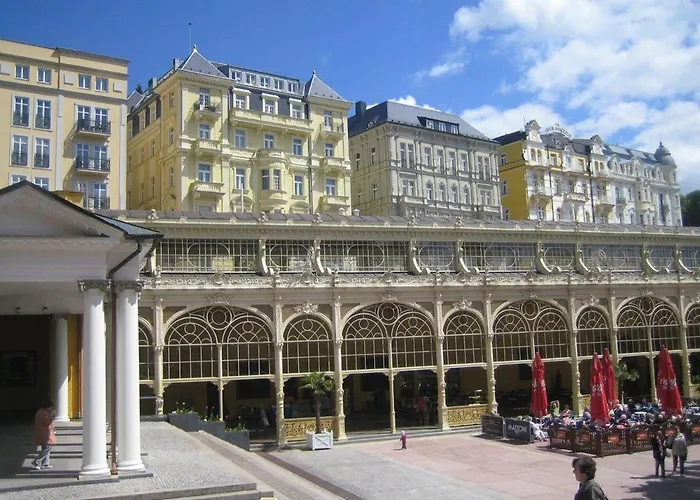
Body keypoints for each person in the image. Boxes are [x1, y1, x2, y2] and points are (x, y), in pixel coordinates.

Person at [31, 401, 55, 470]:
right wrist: (52, 415)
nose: (52, 408)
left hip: (44, 432)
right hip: (45, 433)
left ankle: (45, 463)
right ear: (48, 407)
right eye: (51, 407)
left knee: (46, 448)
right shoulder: (43, 413)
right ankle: (36, 461)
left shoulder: (41, 412)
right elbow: (47, 422)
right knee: (47, 448)